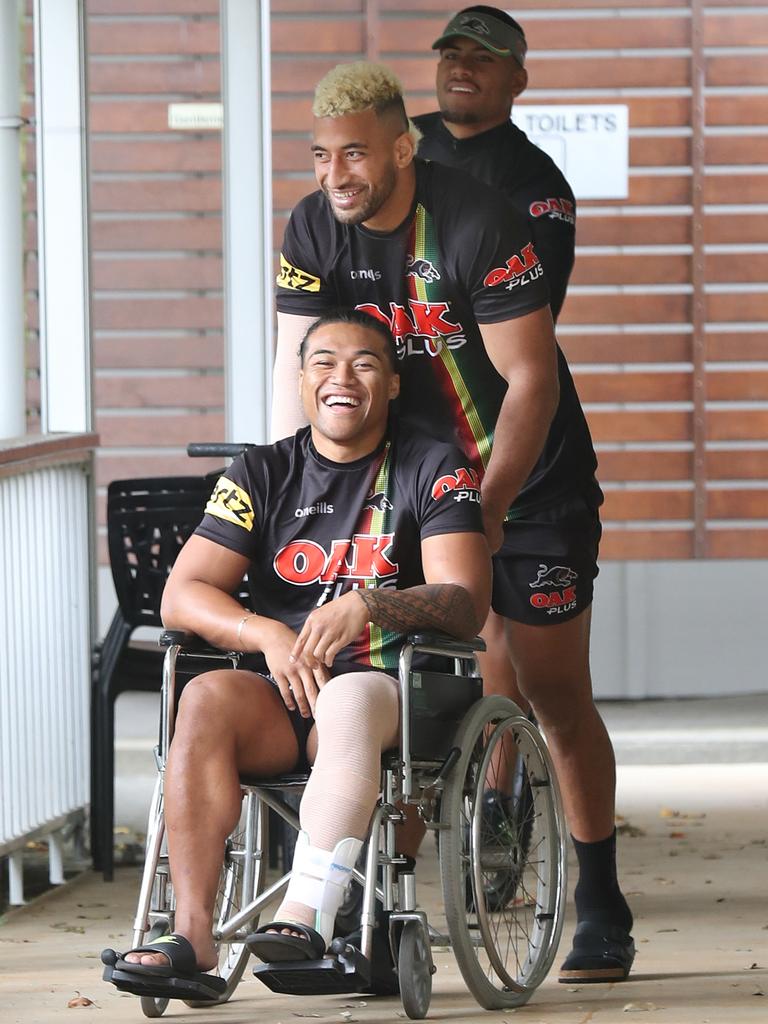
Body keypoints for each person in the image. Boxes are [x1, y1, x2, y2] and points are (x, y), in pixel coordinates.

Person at [270, 61, 635, 985]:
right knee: (387, 684)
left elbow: (533, 380)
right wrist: (299, 493)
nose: (335, 173)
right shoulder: (314, 226)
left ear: (403, 147)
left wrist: (496, 506)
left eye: (355, 152)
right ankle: (367, 909)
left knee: (552, 692)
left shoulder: (480, 218)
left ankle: (599, 895)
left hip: (532, 482)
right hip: (407, 490)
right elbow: (303, 373)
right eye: (320, 154)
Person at [100, 308, 491, 1000]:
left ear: (393, 384)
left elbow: (464, 600)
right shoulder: (262, 472)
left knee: (348, 696)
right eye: (324, 362)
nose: (342, 377)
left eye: (365, 363)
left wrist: (369, 604)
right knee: (204, 697)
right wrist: (265, 633)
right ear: (303, 378)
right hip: (285, 694)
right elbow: (182, 594)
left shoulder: (432, 465)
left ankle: (301, 916)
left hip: (393, 689)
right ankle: (191, 935)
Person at [413, 5, 575, 321]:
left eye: (483, 58)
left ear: (518, 81)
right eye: (451, 55)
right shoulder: (394, 142)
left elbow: (535, 315)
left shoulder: (538, 181)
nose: (461, 68)